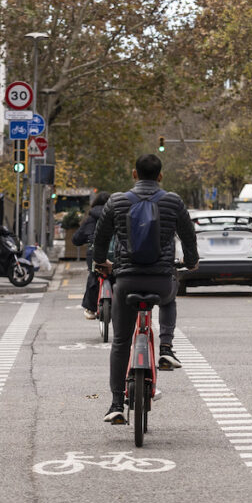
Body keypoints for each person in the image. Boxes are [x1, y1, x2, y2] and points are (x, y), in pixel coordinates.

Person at [92, 154, 199, 424]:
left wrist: (101, 262)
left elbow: (100, 238)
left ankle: (116, 403)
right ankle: (165, 347)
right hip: (161, 281)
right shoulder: (173, 201)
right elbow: (188, 236)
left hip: (126, 281)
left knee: (120, 342)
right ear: (160, 176)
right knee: (170, 295)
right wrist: (191, 261)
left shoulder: (116, 201)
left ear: (134, 174)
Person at [71, 191, 110, 319]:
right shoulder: (115, 215)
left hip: (94, 253)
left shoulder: (91, 217)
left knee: (94, 274)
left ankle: (90, 309)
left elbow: (76, 239)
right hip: (113, 253)